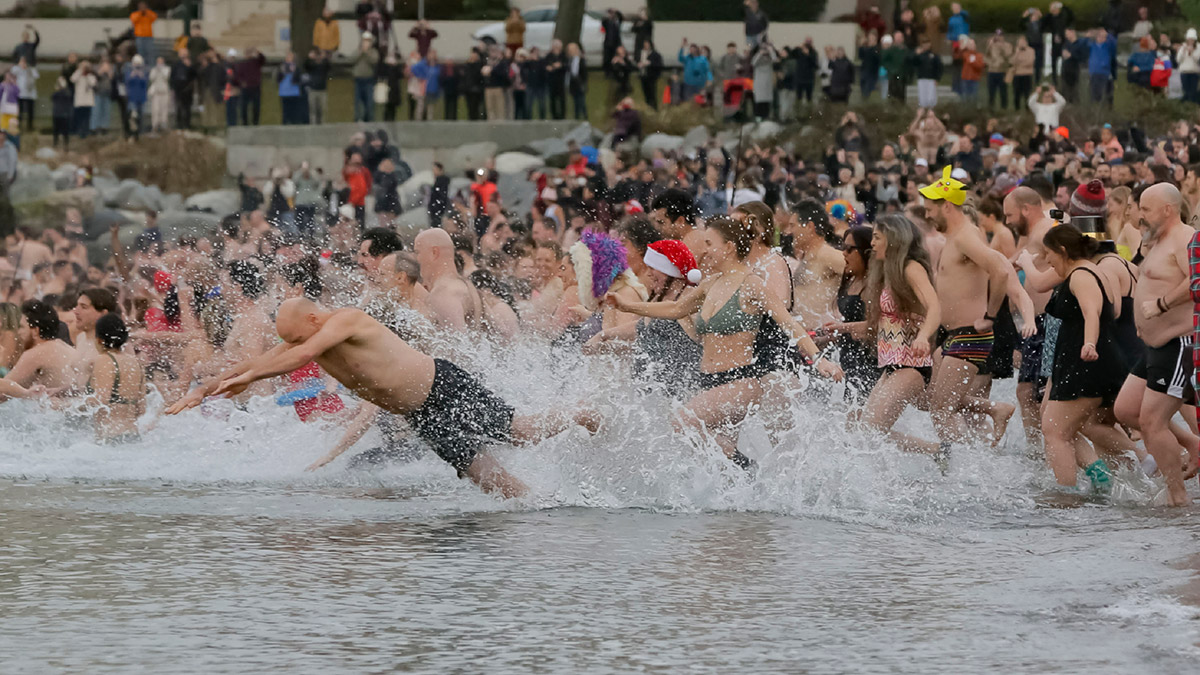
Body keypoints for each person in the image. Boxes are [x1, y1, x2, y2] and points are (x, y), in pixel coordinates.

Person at [167, 297, 598, 498]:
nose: (291, 343)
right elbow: (262, 359)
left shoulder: (344, 321)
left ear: (314, 319)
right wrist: (206, 389)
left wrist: (257, 372)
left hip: (444, 387)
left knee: (519, 433)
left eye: (296, 334)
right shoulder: (306, 335)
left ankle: (583, 413)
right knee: (487, 479)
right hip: (422, 413)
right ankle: (546, 508)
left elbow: (302, 353)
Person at [610, 215, 841, 469]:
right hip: (709, 381)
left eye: (710, 243)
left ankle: (751, 471)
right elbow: (675, 308)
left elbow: (789, 324)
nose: (705, 250)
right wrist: (627, 305)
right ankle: (747, 487)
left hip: (740, 382)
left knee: (683, 423)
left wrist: (820, 361)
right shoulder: (711, 284)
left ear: (729, 247)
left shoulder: (752, 284)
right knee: (720, 458)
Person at [1113, 183, 1199, 507]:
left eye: (1146, 209)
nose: (1141, 216)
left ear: (1168, 209)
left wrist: (1161, 305)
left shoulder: (1185, 237)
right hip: (1154, 345)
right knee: (1125, 410)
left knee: (1151, 421)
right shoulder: (1156, 240)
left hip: (1179, 343)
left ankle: (1178, 497)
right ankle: (1192, 443)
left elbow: (1195, 282)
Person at [922, 167, 1014, 448]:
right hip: (955, 336)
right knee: (934, 401)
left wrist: (991, 316)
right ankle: (994, 410)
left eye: (930, 210)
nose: (927, 216)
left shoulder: (965, 236)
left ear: (947, 206)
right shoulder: (957, 236)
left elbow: (1000, 269)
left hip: (970, 335)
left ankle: (960, 470)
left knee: (941, 409)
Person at [83, 314, 145, 443]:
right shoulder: (135, 363)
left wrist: (67, 406)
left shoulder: (105, 359)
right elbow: (141, 409)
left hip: (110, 438)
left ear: (99, 340)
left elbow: (102, 399)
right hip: (133, 437)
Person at [0, 300, 78, 401]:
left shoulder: (37, 353)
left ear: (35, 331)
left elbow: (2, 392)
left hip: (55, 412)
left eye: (21, 327)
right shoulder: (64, 347)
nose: (18, 332)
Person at [414, 228, 483, 332]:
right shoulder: (468, 285)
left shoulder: (443, 292)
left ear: (434, 252)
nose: (416, 258)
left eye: (417, 252)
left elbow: (457, 343)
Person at [352, 33, 379, 123]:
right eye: (364, 40)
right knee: (358, 103)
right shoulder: (358, 51)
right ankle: (358, 120)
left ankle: (369, 120)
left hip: (368, 81)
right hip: (358, 81)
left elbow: (374, 61)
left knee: (369, 103)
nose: (366, 43)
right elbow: (352, 59)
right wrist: (361, 52)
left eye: (368, 41)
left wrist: (367, 53)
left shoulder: (374, 52)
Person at [677, 39, 711, 104]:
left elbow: (707, 70)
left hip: (698, 85)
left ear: (697, 50)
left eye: (693, 49)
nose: (692, 50)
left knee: (698, 101)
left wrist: (708, 80)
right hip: (688, 84)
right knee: (687, 101)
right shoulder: (687, 58)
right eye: (691, 49)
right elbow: (680, 58)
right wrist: (682, 47)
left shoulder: (702, 59)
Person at [303, 48, 331, 125]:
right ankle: (313, 125)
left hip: (322, 90)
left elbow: (329, 66)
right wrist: (309, 58)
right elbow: (306, 65)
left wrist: (324, 57)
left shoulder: (324, 65)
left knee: (322, 110)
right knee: (313, 110)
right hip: (313, 90)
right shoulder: (311, 65)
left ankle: (322, 125)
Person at [11, 57, 37, 133]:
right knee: (20, 111)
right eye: (22, 61)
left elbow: (36, 76)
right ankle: (19, 126)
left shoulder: (31, 69)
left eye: (25, 61)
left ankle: (30, 127)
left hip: (30, 94)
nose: (23, 63)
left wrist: (27, 69)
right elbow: (12, 72)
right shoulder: (16, 69)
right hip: (20, 94)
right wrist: (20, 67)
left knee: (30, 111)